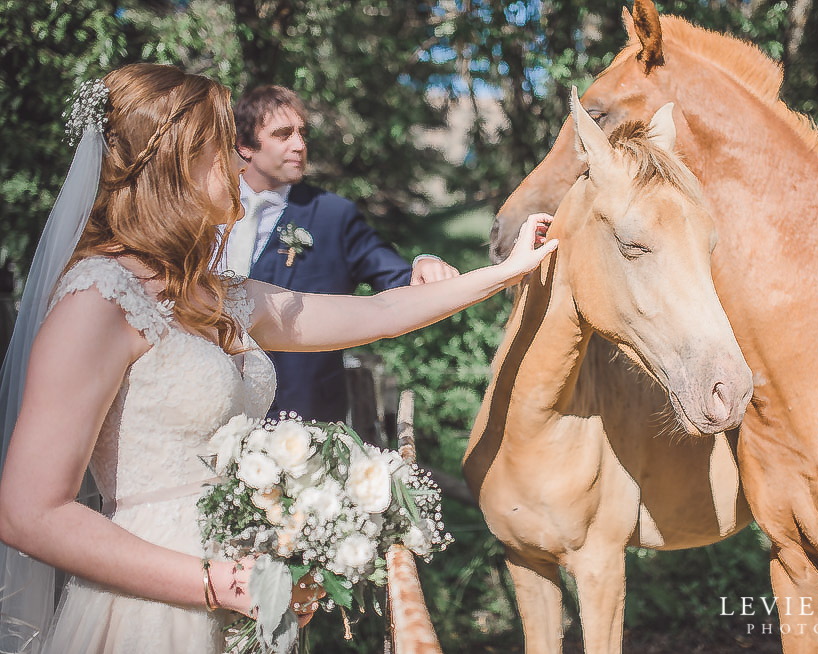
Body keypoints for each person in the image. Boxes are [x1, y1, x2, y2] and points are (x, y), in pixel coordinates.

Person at [0, 63, 556, 654]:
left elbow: (381, 313)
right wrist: (216, 584)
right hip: (154, 609)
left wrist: (504, 272)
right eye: (220, 147)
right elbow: (29, 513)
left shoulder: (229, 296)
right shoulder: (98, 300)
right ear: (172, 165)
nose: (240, 163)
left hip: (252, 599)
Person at [227, 85, 459, 424]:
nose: (300, 145)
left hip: (304, 417)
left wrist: (424, 261)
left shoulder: (334, 216)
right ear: (245, 146)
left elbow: (397, 277)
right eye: (283, 134)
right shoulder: (211, 207)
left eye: (302, 133)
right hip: (222, 408)